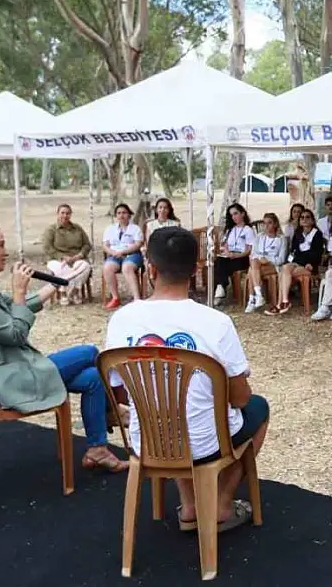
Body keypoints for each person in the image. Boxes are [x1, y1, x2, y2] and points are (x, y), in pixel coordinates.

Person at [105, 227, 267, 532]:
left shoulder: (121, 320)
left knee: (167, 410)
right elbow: (241, 399)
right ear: (195, 270)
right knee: (258, 409)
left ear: (150, 269)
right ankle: (220, 503)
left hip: (146, 440)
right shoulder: (216, 322)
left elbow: (120, 394)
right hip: (204, 442)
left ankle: (191, 505)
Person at [0, 220, 126, 473]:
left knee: (94, 377)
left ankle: (98, 449)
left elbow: (11, 307)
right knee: (90, 353)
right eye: (1, 245)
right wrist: (18, 292)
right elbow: (15, 332)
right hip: (0, 383)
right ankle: (112, 411)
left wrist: (56, 283)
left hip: (9, 368)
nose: (6, 252)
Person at [267, 208, 326, 315]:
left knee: (283, 274)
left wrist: (307, 261)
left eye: (307, 217)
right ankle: (284, 301)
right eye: (302, 217)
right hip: (297, 263)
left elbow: (316, 254)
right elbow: (293, 253)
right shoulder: (298, 234)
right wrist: (298, 258)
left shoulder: (317, 234)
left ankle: (280, 304)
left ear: (312, 220)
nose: (304, 219)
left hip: (310, 266)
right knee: (285, 269)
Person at [41, 204, 93, 305]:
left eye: (68, 213)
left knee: (85, 266)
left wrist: (79, 256)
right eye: (62, 213)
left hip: (77, 259)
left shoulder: (77, 228)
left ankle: (74, 291)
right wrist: (63, 257)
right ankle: (64, 292)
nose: (65, 215)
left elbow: (87, 245)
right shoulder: (51, 229)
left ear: (71, 215)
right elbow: (47, 247)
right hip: (58, 260)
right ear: (57, 214)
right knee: (60, 267)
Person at [102, 203, 145, 310]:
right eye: (119, 213)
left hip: (132, 254)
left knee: (127, 267)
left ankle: (136, 299)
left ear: (129, 215)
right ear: (116, 216)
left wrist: (124, 252)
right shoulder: (110, 229)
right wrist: (112, 252)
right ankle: (115, 298)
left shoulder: (135, 229)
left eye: (124, 213)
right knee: (107, 268)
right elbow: (105, 245)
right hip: (115, 255)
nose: (121, 215)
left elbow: (138, 244)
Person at [245, 213, 289, 313]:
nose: (266, 226)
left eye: (269, 223)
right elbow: (253, 253)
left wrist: (268, 259)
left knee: (252, 268)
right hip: (258, 264)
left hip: (273, 265)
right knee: (253, 265)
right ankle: (257, 296)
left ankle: (253, 298)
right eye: (264, 223)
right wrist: (260, 258)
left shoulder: (281, 239)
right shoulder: (259, 237)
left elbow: (281, 259)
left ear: (275, 224)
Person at [213, 204, 256, 302]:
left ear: (243, 214)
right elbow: (225, 244)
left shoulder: (248, 230)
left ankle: (220, 289)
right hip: (230, 255)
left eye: (236, 213)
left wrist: (236, 255)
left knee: (223, 265)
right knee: (219, 261)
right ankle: (220, 288)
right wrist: (227, 252)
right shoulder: (230, 230)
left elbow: (250, 250)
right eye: (231, 215)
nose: (234, 217)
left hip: (242, 257)